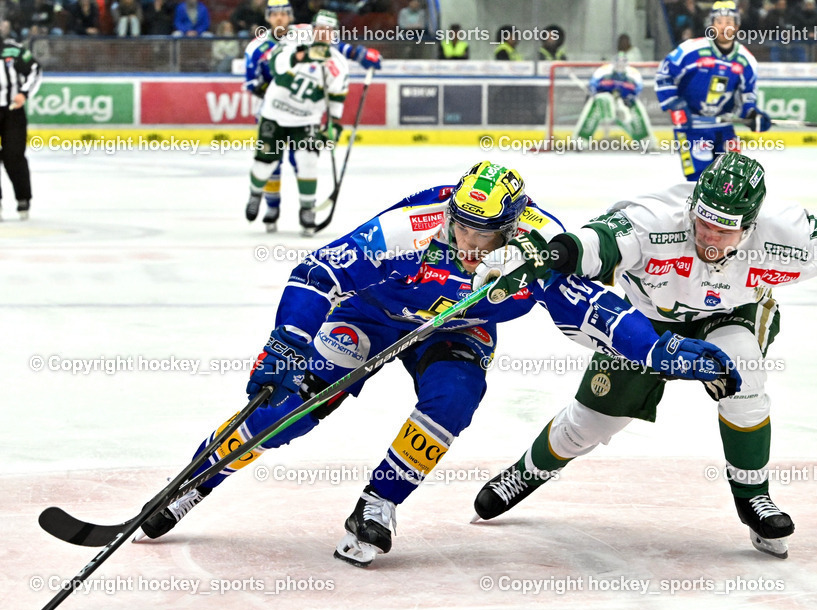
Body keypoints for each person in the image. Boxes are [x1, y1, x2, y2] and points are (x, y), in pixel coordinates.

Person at [137, 161, 740, 567]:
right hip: (371, 317)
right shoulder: (408, 229)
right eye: (462, 227)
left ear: (512, 228)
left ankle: (379, 504)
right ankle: (197, 479)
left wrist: (657, 349)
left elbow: (597, 310)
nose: (469, 244)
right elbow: (317, 271)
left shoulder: (538, 250)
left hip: (456, 327)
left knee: (454, 397)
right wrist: (287, 342)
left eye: (485, 235)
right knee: (289, 412)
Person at [470, 152, 817, 559]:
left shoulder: (789, 236)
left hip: (730, 317)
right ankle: (527, 471)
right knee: (590, 425)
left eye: (725, 229)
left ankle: (753, 497)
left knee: (746, 380)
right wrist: (543, 256)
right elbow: (594, 242)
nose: (710, 238)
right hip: (646, 322)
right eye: (704, 223)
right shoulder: (655, 220)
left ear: (752, 225)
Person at [243, 1, 382, 233]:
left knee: (307, 162)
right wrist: (301, 57)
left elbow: (336, 97)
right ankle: (263, 200)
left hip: (306, 119)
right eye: (319, 29)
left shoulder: (335, 62)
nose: (323, 34)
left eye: (329, 31)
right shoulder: (291, 40)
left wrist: (333, 126)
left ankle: (307, 210)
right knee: (267, 163)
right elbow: (275, 68)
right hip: (274, 112)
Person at [655, 0, 771, 180]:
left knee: (730, 178)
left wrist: (752, 115)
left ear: (737, 26)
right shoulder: (690, 50)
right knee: (698, 181)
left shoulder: (746, 60)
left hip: (724, 128)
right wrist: (674, 103)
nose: (724, 27)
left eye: (729, 22)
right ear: (711, 25)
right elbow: (664, 75)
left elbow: (747, 96)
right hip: (691, 128)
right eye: (719, 22)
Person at [0, 29, 41, 219]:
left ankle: (23, 198)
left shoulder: (13, 50)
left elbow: (35, 69)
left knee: (14, 155)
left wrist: (24, 93)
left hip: (12, 111)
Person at [571, 52, 654, 145]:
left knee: (636, 111)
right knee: (594, 110)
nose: (620, 65)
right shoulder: (603, 70)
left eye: (623, 62)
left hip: (624, 100)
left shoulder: (633, 73)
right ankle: (581, 140)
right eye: (618, 62)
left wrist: (631, 97)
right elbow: (593, 84)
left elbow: (638, 89)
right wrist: (594, 92)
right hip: (605, 99)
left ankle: (646, 141)